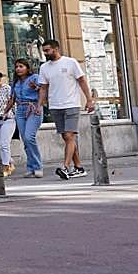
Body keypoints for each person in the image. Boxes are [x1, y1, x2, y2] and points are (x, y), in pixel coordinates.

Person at [37, 39, 95, 180]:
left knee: (69, 136)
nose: (45, 53)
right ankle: (79, 167)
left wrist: (89, 100)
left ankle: (65, 167)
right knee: (66, 137)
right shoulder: (44, 67)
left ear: (56, 49)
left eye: (47, 50)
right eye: (44, 51)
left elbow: (82, 81)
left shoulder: (71, 62)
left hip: (71, 104)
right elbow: (43, 88)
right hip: (55, 106)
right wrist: (39, 105)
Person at [8, 58, 44, 178]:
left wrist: (39, 105)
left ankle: (38, 166)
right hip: (20, 110)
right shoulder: (15, 82)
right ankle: (31, 167)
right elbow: (12, 99)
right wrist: (5, 112)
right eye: (17, 66)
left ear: (27, 68)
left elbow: (43, 92)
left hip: (33, 108)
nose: (18, 69)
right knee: (25, 140)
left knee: (29, 137)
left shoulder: (35, 78)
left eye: (21, 66)